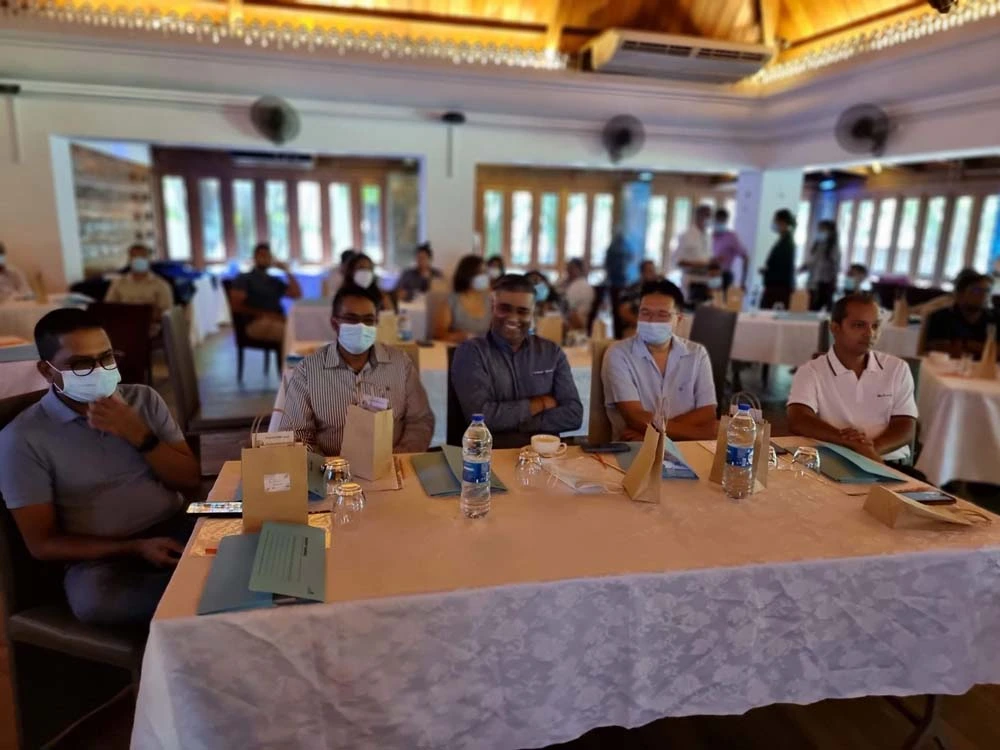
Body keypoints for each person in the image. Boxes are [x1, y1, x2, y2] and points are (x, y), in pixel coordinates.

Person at [0, 309, 200, 625]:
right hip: (102, 557)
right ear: (47, 371)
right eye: (81, 364)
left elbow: (189, 480)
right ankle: (203, 592)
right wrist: (135, 548)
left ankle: (199, 589)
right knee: (96, 600)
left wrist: (140, 435)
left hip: (178, 521)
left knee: (244, 521)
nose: (98, 370)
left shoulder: (144, 400)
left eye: (106, 357)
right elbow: (42, 544)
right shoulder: (22, 438)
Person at [278, 285, 434, 456]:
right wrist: (326, 466)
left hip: (392, 465)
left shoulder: (400, 364)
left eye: (368, 320)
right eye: (351, 319)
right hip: (329, 466)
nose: (361, 326)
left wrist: (401, 456)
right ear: (334, 323)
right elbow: (297, 433)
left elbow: (420, 420)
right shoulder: (308, 371)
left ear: (376, 323)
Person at [451, 274, 583, 449]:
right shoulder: (471, 352)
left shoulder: (551, 352)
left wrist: (520, 422)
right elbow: (482, 418)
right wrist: (540, 404)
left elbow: (574, 415)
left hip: (545, 456)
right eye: (504, 308)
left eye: (522, 311)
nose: (513, 318)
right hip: (493, 457)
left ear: (533, 313)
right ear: (492, 307)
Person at [787, 293, 917, 463]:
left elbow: (906, 425)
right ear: (835, 328)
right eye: (859, 325)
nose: (870, 333)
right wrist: (848, 443)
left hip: (888, 461)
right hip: (835, 462)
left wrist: (871, 451)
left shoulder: (897, 368)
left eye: (875, 326)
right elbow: (799, 420)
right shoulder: (811, 371)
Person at [603, 280, 718, 442]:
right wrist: (701, 433)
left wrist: (653, 434)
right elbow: (635, 417)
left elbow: (707, 412)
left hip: (681, 445)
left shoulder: (697, 354)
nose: (651, 321)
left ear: (679, 319)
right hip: (637, 449)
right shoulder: (619, 354)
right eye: (645, 313)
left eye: (662, 315)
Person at [230, 243, 303, 342]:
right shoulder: (244, 278)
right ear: (255, 258)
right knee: (292, 333)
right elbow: (236, 306)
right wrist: (266, 315)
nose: (264, 258)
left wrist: (287, 271)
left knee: (307, 328)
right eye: (261, 255)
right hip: (256, 322)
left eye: (267, 256)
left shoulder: (274, 280)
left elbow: (297, 295)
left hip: (278, 319)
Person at [925, 269, 998, 358]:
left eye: (987, 291)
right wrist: (979, 347)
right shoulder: (941, 317)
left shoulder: (995, 318)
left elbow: (996, 351)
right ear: (960, 294)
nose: (984, 295)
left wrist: (964, 344)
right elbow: (936, 347)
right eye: (976, 290)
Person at [105, 244, 174, 333]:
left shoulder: (161, 285)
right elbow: (108, 308)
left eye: (142, 256)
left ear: (148, 260)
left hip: (150, 328)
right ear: (129, 260)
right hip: (123, 327)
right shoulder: (118, 283)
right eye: (135, 256)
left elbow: (167, 313)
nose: (138, 259)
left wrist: (150, 314)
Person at [432, 254, 492, 342]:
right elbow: (438, 334)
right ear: (468, 275)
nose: (486, 277)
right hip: (458, 347)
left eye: (486, 272)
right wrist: (457, 336)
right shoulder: (452, 301)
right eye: (481, 273)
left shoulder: (490, 301)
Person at [673, 205, 714, 305]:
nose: (708, 219)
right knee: (690, 309)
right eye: (707, 215)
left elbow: (708, 258)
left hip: (706, 281)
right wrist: (698, 265)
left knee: (705, 309)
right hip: (692, 280)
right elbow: (677, 261)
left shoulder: (708, 236)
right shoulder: (686, 235)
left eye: (710, 216)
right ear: (698, 216)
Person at [799, 220, 841, 312]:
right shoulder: (818, 245)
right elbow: (812, 261)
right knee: (810, 305)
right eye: (819, 230)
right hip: (813, 281)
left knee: (820, 305)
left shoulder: (833, 247)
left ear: (831, 232)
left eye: (823, 230)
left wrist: (834, 280)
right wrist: (803, 267)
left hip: (825, 282)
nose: (820, 232)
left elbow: (836, 266)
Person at [760, 208, 797, 309]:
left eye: (775, 220)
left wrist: (768, 271)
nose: (773, 223)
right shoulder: (782, 240)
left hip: (778, 287)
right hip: (776, 285)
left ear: (782, 222)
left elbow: (782, 267)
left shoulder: (787, 243)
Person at [617, 260, 662, 339]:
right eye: (650, 271)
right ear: (642, 272)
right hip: (636, 327)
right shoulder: (631, 289)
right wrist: (643, 324)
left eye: (654, 270)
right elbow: (623, 311)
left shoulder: (661, 289)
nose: (653, 273)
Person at [711, 208, 749, 291]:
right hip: (710, 274)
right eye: (717, 220)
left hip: (724, 275)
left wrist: (743, 281)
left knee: (720, 298)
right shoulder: (712, 236)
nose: (719, 223)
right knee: (709, 297)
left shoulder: (731, 237)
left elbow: (745, 257)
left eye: (722, 221)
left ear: (726, 221)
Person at [560, 258, 594, 332]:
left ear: (579, 269)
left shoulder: (581, 285)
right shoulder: (574, 284)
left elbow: (567, 307)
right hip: (575, 321)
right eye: (568, 269)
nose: (568, 271)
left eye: (571, 268)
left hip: (577, 324)